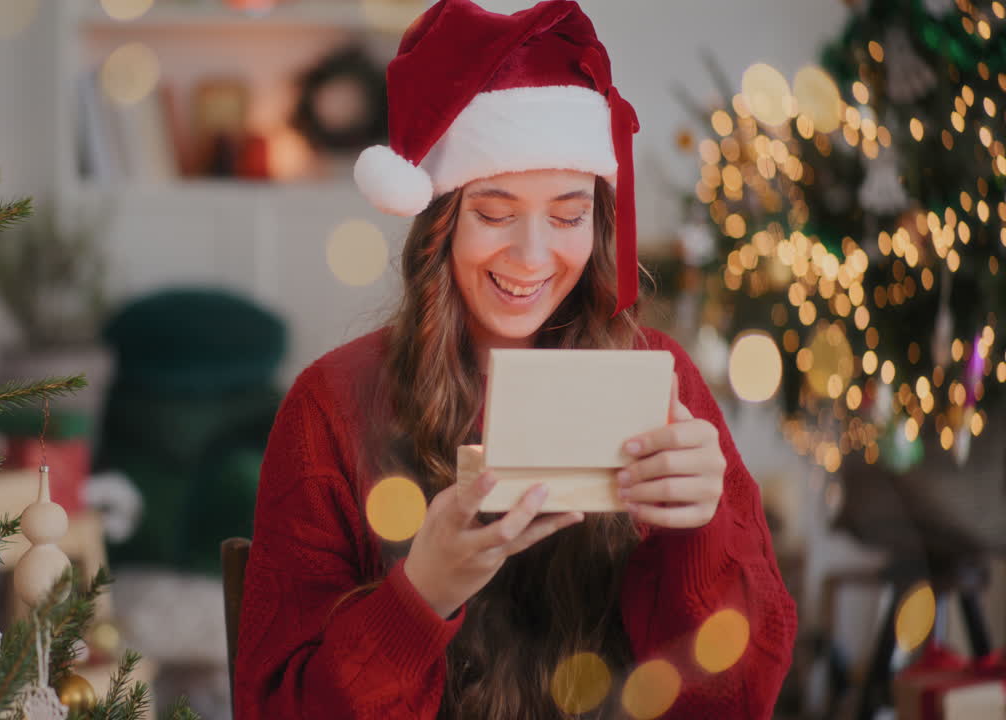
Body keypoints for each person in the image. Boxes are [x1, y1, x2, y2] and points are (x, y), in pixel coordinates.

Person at [233, 1, 797, 718]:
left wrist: (700, 533)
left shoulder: (662, 383)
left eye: (567, 216)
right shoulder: (333, 408)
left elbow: (739, 700)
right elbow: (277, 708)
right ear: (438, 224)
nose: (533, 258)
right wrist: (420, 595)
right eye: (495, 214)